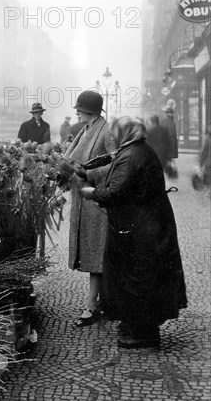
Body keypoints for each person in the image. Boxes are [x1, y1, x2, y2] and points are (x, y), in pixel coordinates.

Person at [80, 116, 187, 349]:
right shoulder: (137, 150)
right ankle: (136, 326)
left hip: (142, 231)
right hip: (145, 226)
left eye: (116, 131)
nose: (113, 135)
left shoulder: (133, 155)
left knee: (138, 279)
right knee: (140, 277)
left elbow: (115, 192)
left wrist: (91, 193)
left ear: (125, 132)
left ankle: (142, 334)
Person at [59, 90, 114, 327]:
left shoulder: (107, 131)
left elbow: (115, 163)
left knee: (97, 255)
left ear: (89, 110)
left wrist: (86, 173)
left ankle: (93, 305)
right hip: (85, 201)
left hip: (97, 203)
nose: (76, 112)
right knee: (94, 254)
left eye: (79, 109)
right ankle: (99, 302)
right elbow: (70, 158)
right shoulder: (85, 129)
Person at [199, 120, 211, 188]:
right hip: (209, 164)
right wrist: (201, 163)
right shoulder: (208, 138)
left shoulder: (208, 138)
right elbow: (204, 152)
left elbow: (204, 152)